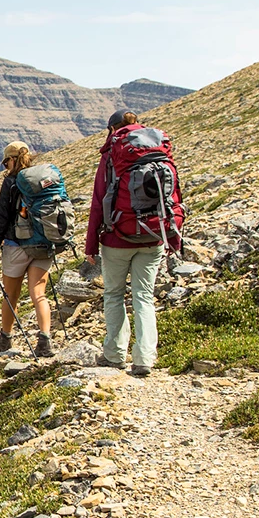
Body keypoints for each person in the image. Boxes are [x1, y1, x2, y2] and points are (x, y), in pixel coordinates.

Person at [86, 109, 178, 377]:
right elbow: (174, 194)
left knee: (114, 294)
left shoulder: (114, 152)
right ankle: (144, 359)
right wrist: (172, 236)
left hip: (118, 236)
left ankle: (114, 355)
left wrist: (91, 244)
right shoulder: (158, 148)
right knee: (144, 297)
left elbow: (98, 200)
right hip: (153, 235)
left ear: (112, 129)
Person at [0, 141, 56, 358]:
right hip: (44, 243)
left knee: (11, 294)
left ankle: (5, 337)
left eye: (6, 162)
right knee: (39, 294)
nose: (5, 166)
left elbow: (3, 219)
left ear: (12, 160)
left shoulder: (11, 182)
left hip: (17, 245)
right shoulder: (44, 178)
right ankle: (45, 340)